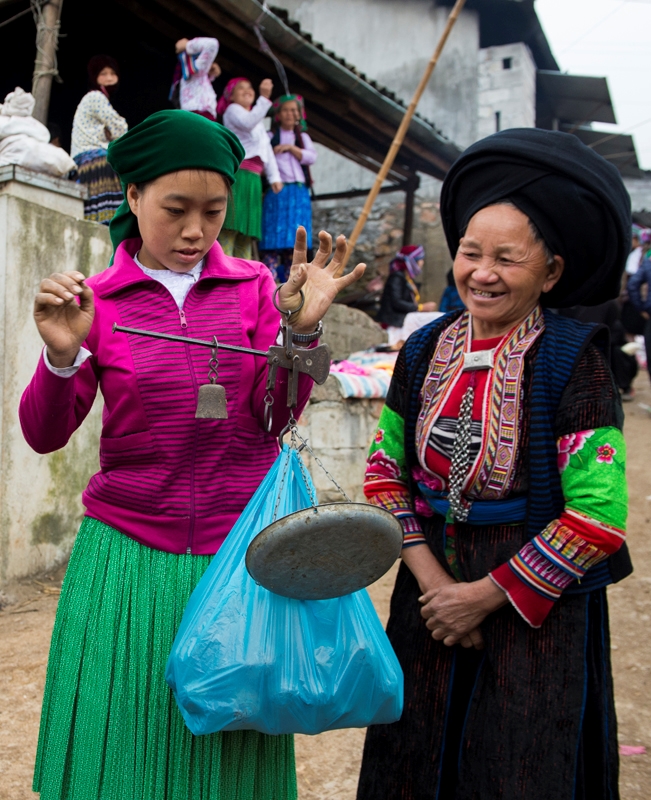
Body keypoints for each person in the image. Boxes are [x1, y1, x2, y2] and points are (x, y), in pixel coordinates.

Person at [22, 109, 365, 800]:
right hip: (127, 559)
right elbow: (44, 434)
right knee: (125, 741)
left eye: (212, 211)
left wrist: (302, 333)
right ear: (134, 197)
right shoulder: (98, 303)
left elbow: (273, 419)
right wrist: (61, 357)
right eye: (175, 209)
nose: (194, 230)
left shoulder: (253, 292)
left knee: (228, 750)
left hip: (236, 558)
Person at [356, 128, 632, 800]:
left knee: (518, 762)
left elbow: (597, 515)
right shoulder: (423, 351)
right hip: (427, 593)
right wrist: (435, 592)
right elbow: (383, 473)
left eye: (506, 258)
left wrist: (478, 598)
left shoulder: (575, 364)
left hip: (534, 608)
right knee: (411, 757)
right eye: (471, 253)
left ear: (552, 272)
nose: (481, 272)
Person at [218, 77, 282, 259]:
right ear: (230, 95)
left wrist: (274, 177)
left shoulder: (257, 120)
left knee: (247, 232)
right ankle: (224, 268)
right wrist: (264, 98)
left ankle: (243, 275)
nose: (247, 90)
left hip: (254, 178)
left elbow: (266, 149)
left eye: (249, 87)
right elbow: (248, 122)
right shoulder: (233, 111)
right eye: (241, 88)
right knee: (231, 226)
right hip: (239, 175)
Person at [259, 94, 317, 282]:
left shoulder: (302, 138)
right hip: (277, 193)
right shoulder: (269, 137)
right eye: (286, 110)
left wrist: (291, 148)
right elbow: (262, 159)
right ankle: (270, 282)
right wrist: (274, 150)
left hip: (298, 193)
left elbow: (311, 157)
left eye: (294, 110)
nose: (290, 114)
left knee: (296, 241)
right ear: (278, 114)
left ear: (299, 114)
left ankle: (292, 283)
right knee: (273, 238)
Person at [71, 55, 127, 224]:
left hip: (84, 160)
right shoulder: (95, 97)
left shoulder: (96, 99)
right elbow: (121, 129)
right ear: (95, 77)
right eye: (103, 73)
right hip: (93, 159)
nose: (109, 77)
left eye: (112, 73)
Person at [376, 245, 436, 345]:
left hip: (403, 317)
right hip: (395, 320)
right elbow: (396, 302)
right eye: (420, 259)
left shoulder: (407, 278)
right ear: (413, 261)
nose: (422, 262)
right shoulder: (397, 278)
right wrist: (420, 308)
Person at [170, 37, 221, 120]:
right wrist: (187, 45)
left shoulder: (193, 76)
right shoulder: (197, 70)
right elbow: (212, 44)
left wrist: (212, 70)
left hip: (194, 117)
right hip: (200, 116)